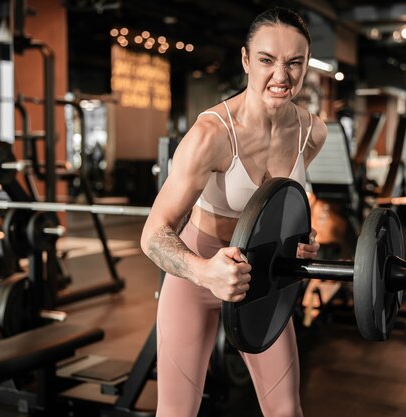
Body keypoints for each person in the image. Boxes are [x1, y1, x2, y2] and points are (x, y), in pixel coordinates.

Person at [140, 7, 327, 417]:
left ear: (306, 64)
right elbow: (153, 234)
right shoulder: (212, 135)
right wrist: (205, 271)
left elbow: (278, 207)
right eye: (267, 60)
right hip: (198, 272)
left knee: (286, 409)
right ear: (246, 60)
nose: (281, 76)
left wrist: (297, 240)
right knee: (175, 411)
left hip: (261, 276)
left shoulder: (312, 132)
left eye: (294, 63)